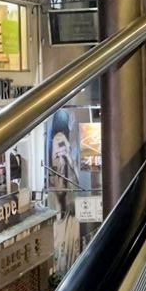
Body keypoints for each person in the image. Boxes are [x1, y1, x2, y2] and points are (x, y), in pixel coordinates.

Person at [48, 109, 80, 275]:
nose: (60, 164)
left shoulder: (74, 222)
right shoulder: (48, 224)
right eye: (56, 155)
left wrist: (70, 160)